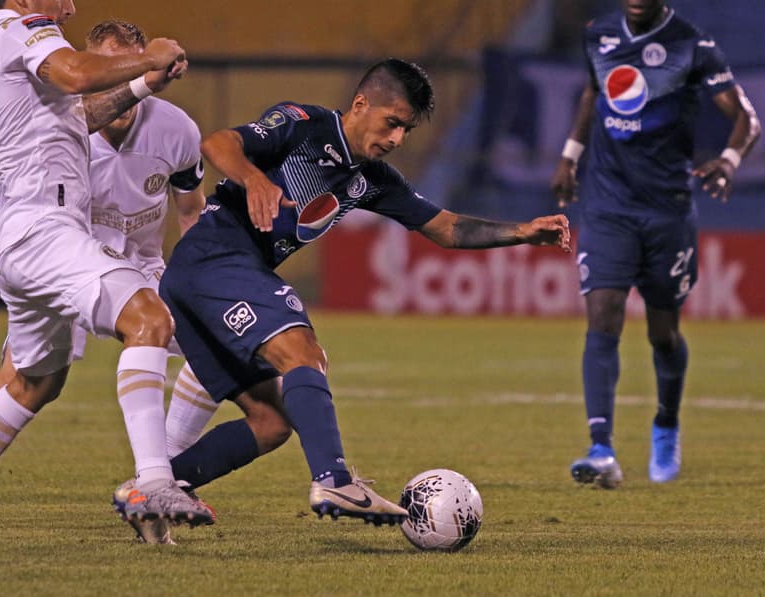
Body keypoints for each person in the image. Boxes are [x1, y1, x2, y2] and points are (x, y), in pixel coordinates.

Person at [143, 59, 571, 527]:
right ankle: (334, 478)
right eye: (392, 124)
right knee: (304, 353)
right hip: (215, 258)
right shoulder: (302, 125)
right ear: (361, 104)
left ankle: (152, 490)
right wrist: (254, 178)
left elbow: (446, 229)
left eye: (405, 130)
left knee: (271, 423)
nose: (396, 140)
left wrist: (522, 232)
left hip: (209, 277)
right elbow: (218, 142)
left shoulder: (372, 179)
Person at [0, 0, 213, 542]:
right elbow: (76, 73)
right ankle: (154, 481)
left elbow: (85, 105)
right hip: (44, 231)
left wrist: (144, 78)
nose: (69, 5)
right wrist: (146, 58)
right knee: (149, 318)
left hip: (28, 240)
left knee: (32, 384)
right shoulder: (25, 30)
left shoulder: (16, 49)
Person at [549, 0, 761, 489]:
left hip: (667, 212)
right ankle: (601, 448)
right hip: (609, 205)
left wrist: (731, 159)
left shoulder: (693, 46)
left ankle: (666, 423)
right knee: (604, 315)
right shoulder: (597, 34)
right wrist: (570, 155)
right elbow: (594, 94)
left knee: (664, 335)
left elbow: (747, 117)